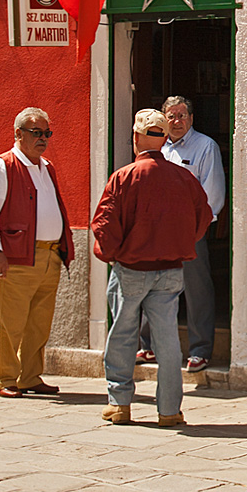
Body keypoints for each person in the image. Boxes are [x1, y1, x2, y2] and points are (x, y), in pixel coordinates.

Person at [92, 109, 212, 427]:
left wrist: (115, 253)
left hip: (131, 268)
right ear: (163, 139)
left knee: (122, 334)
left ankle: (119, 403)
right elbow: (202, 218)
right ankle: (169, 410)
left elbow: (103, 223)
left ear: (136, 138)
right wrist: (179, 244)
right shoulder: (184, 178)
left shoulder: (124, 177)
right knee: (168, 340)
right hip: (170, 270)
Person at [0, 107, 75, 398]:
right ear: (18, 134)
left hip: (49, 256)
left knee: (38, 324)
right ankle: (5, 378)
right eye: (36, 133)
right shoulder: (2, 166)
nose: (43, 138)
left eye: (47, 133)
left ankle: (30, 376)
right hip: (17, 257)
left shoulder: (47, 166)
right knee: (9, 322)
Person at [136, 95, 225, 373]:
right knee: (153, 287)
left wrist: (196, 229)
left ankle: (199, 350)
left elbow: (213, 194)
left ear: (191, 118)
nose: (176, 121)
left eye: (182, 116)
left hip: (190, 232)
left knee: (197, 291)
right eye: (171, 116)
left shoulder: (205, 147)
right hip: (158, 234)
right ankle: (146, 345)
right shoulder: (156, 147)